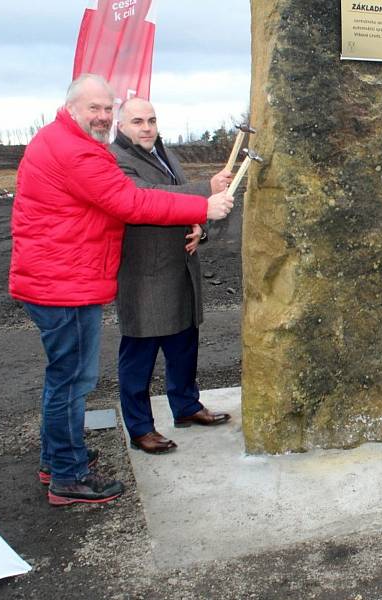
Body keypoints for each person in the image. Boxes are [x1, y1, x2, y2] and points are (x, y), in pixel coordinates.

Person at [9, 74, 234, 506]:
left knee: (66, 379)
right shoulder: (77, 151)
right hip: (63, 281)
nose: (102, 116)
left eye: (106, 108)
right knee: (73, 381)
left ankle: (58, 459)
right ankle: (69, 478)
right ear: (71, 107)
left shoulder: (64, 140)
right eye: (95, 108)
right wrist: (203, 204)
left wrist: (197, 221)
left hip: (62, 274)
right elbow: (131, 201)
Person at [111, 98, 233, 454]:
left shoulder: (164, 154)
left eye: (151, 120)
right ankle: (140, 428)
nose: (147, 127)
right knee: (139, 355)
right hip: (144, 275)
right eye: (137, 121)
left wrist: (200, 229)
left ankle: (186, 406)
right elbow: (148, 197)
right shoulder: (117, 161)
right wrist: (205, 190)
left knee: (183, 346)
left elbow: (180, 206)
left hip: (179, 271)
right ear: (121, 126)